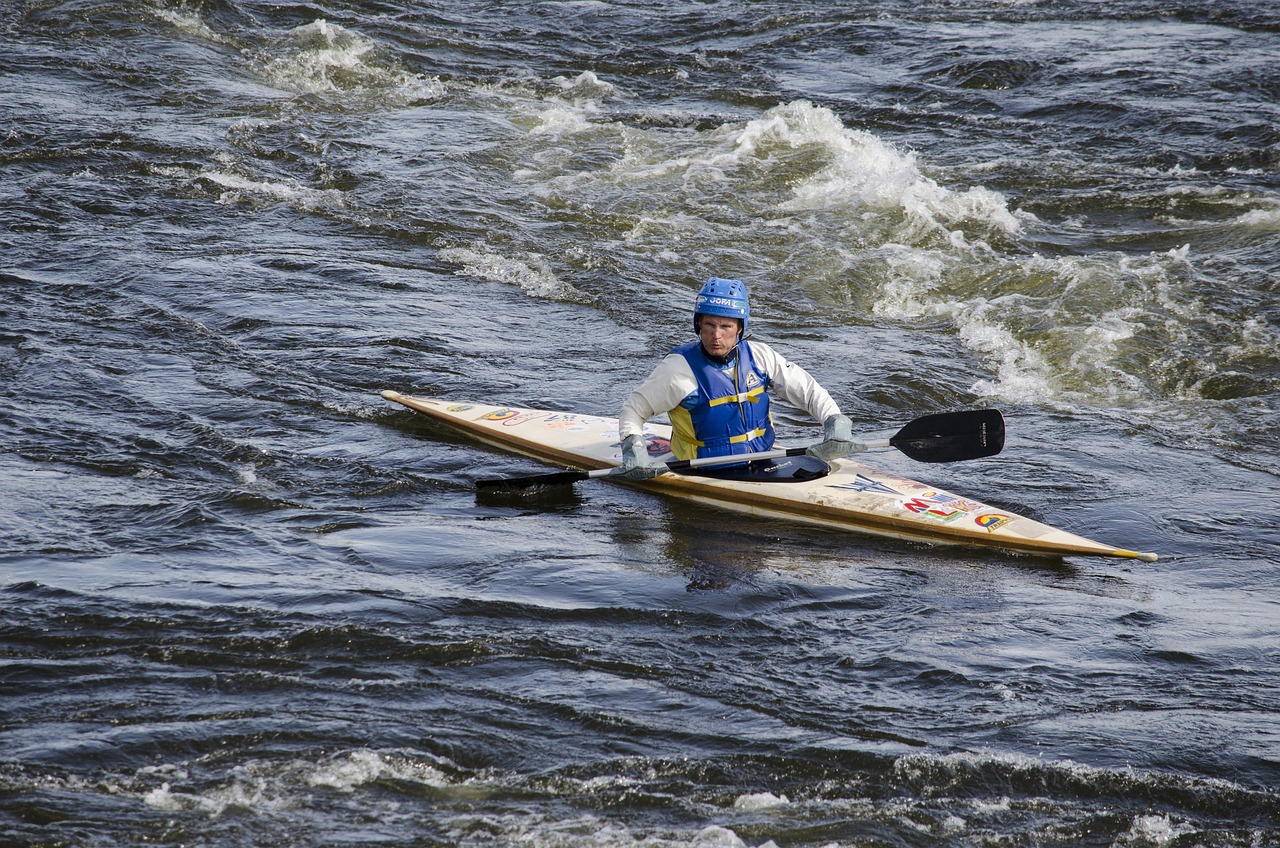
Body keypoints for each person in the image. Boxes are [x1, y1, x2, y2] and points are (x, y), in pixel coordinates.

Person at [615, 277, 863, 480]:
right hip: (699, 470)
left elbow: (809, 391)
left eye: (726, 327)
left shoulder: (759, 356)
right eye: (709, 325)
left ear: (740, 328)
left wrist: (835, 423)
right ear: (698, 324)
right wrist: (634, 449)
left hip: (761, 459)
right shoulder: (677, 370)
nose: (716, 336)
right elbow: (633, 410)